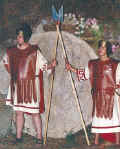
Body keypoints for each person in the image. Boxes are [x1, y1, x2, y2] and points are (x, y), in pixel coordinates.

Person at [3, 23, 56, 144]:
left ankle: (39, 137)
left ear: (26, 37)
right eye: (18, 36)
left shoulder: (34, 51)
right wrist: (14, 74)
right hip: (17, 87)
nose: (18, 38)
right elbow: (6, 62)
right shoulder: (11, 51)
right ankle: (18, 137)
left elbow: (44, 67)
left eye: (21, 36)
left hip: (31, 88)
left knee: (34, 113)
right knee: (18, 112)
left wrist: (51, 66)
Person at [65, 40, 120, 145]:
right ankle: (96, 142)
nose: (100, 49)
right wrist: (71, 68)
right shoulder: (93, 64)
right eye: (99, 47)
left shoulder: (115, 64)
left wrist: (117, 86)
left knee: (115, 118)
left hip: (111, 97)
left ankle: (118, 143)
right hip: (98, 96)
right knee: (98, 118)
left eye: (103, 47)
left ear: (108, 50)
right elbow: (85, 73)